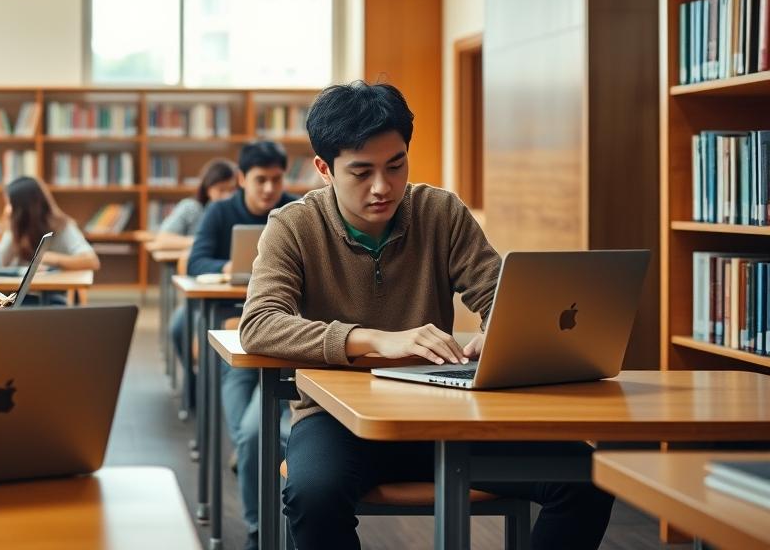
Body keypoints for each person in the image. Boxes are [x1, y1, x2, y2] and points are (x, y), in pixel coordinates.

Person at [239, 81, 615, 549]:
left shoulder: (440, 212)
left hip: (443, 414)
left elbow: (499, 295)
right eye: (362, 172)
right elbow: (258, 325)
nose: (383, 187)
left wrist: (497, 332)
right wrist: (373, 339)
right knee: (312, 494)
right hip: (338, 420)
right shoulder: (293, 226)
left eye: (396, 166)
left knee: (588, 477)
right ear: (324, 169)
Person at [177, 140, 299, 550]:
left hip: (284, 344)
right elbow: (196, 263)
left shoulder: (297, 211)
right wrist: (230, 267)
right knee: (246, 433)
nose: (269, 189)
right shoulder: (220, 211)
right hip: (234, 337)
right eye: (260, 180)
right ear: (242, 178)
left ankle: (260, 531)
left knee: (252, 435)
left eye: (276, 180)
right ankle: (260, 520)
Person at [0, 176, 101, 272]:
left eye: (9, 204)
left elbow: (92, 261)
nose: (7, 210)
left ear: (24, 208)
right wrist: (12, 230)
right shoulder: (15, 230)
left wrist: (50, 258)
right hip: (20, 290)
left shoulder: (62, 226)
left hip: (54, 289)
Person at [154, 157, 239, 244]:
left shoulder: (238, 211)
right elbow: (163, 238)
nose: (227, 196)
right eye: (221, 190)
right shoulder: (191, 207)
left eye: (232, 190)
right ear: (207, 188)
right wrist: (202, 242)